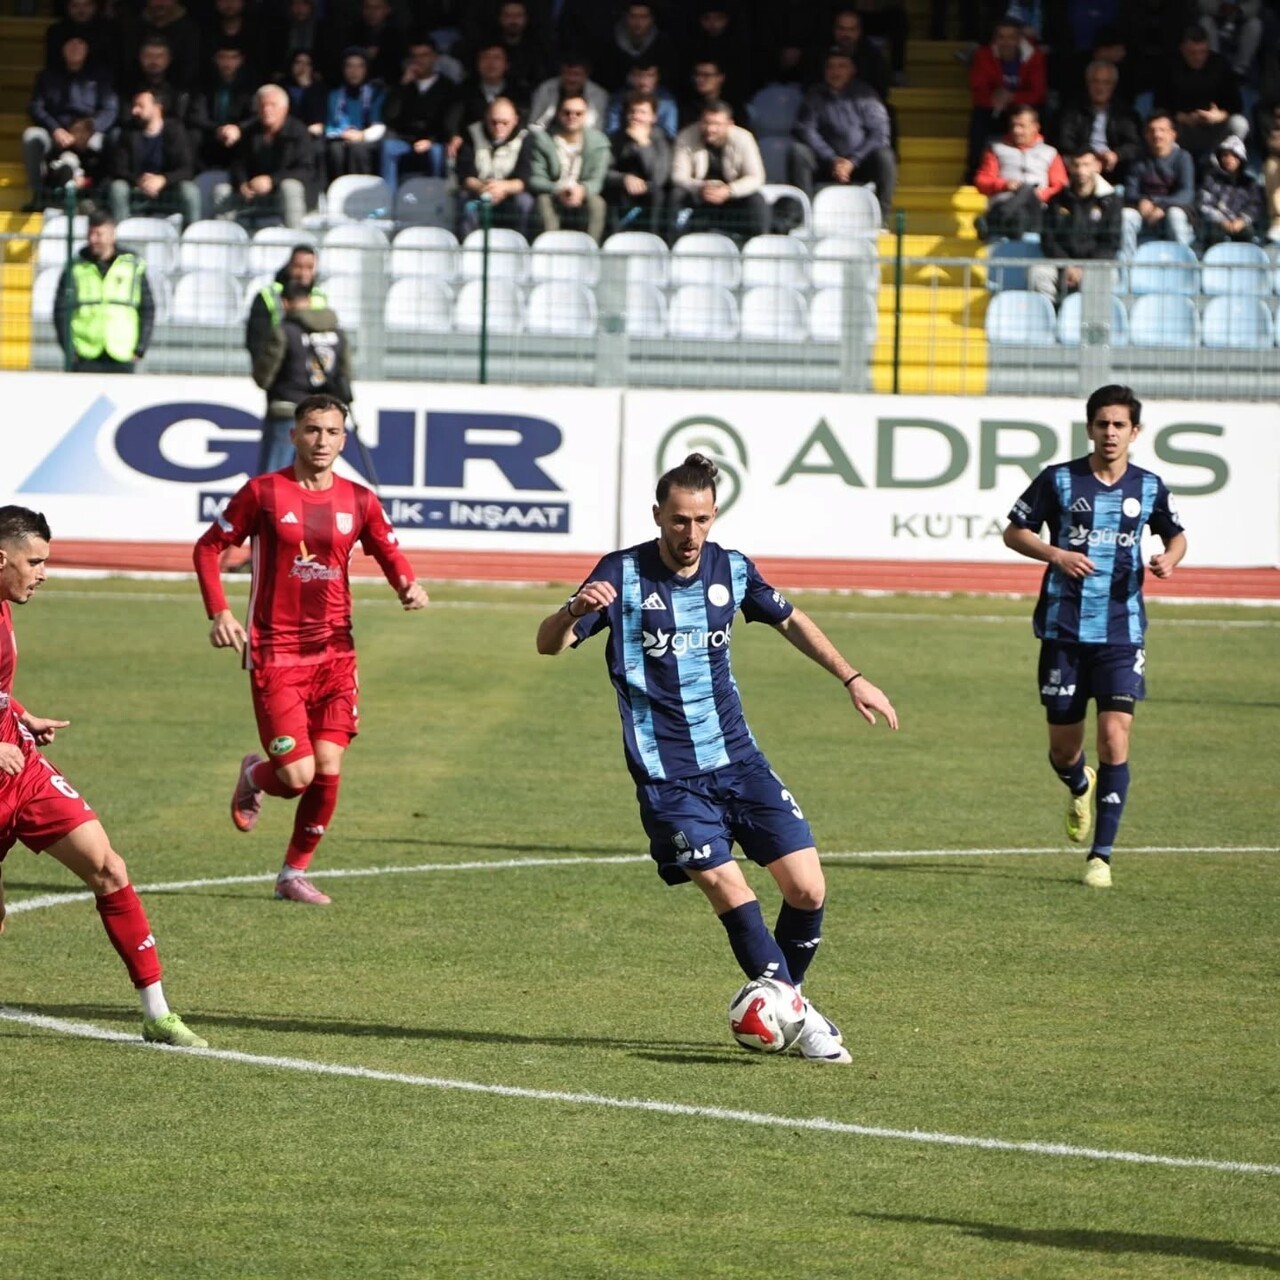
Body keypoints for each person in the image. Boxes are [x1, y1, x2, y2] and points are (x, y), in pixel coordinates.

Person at [535, 453, 899, 1063]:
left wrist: (851, 677)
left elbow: (792, 620)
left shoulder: (732, 568)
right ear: (657, 515)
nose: (691, 534)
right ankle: (802, 1024)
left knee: (808, 889)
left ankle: (787, 1003)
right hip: (667, 776)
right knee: (730, 890)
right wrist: (573, 609)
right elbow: (549, 645)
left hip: (739, 760)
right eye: (679, 520)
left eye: (702, 519)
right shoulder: (620, 573)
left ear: (714, 515)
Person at [192, 394, 429, 906]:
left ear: (344, 439)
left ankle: (292, 874)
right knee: (295, 777)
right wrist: (220, 612)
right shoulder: (263, 493)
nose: (322, 441)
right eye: (312, 430)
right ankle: (256, 775)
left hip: (336, 653)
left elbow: (387, 547)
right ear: (295, 435)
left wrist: (407, 584)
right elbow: (208, 548)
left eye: (332, 432)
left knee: (327, 766)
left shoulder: (359, 499)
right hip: (276, 655)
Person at [0, 505, 206, 1048]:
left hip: (22, 773)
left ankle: (157, 1013)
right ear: (1, 558)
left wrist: (19, 717)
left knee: (109, 867)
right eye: (35, 562)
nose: (43, 573)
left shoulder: (3, 603)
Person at [1003, 385, 1187, 888]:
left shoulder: (1149, 487)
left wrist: (1169, 558)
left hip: (1122, 631)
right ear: (1090, 428)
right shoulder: (1059, 480)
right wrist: (1056, 554)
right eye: (1102, 424)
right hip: (1063, 630)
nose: (1110, 433)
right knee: (1065, 749)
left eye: (1119, 425)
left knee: (1114, 736)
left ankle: (1100, 856)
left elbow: (1175, 534)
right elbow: (1014, 531)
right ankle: (1079, 783)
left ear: (1135, 432)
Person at [251, 279, 353, 474]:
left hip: (287, 409)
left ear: (285, 302)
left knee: (274, 477)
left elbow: (263, 377)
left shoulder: (285, 330)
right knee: (316, 475)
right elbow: (345, 373)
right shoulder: (337, 333)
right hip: (322, 414)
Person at [788, 46, 896, 222]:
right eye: (831, 66)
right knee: (798, 152)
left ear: (852, 70)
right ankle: (802, 217)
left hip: (860, 164)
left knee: (885, 156)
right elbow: (806, 130)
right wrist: (833, 159)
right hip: (825, 162)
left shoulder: (866, 95)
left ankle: (882, 218)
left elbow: (879, 134)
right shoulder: (815, 94)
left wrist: (853, 160)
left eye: (841, 66)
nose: (835, 71)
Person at [22, 34, 118, 210]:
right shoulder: (47, 76)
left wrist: (90, 129)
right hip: (57, 133)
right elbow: (36, 107)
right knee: (31, 136)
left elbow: (110, 109)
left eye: (80, 44)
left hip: (89, 132)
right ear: (62, 49)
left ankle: (99, 196)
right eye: (70, 44)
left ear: (87, 49)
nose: (75, 48)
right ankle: (39, 195)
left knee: (112, 140)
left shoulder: (101, 76)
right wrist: (55, 129)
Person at [53, 209, 155, 375]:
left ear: (112, 235)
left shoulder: (132, 265)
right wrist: (68, 348)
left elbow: (147, 309)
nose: (93, 240)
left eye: (99, 234)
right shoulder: (74, 267)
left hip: (122, 352)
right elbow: (61, 311)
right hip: (85, 352)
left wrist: (140, 348)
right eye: (91, 234)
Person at [214, 83, 319, 229]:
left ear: (284, 109)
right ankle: (223, 240)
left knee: (290, 187)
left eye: (272, 105)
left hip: (284, 193)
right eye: (262, 105)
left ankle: (295, 237)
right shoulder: (250, 131)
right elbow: (238, 163)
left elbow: (306, 170)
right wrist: (242, 183)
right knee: (221, 191)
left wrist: (272, 180)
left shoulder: (298, 131)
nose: (266, 110)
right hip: (253, 193)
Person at [1029, 150, 1123, 300]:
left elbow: (1111, 243)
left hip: (1094, 266)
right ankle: (1052, 315)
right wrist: (1067, 265)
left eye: (1086, 165)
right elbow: (1048, 240)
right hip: (1061, 264)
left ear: (1097, 166)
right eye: (1076, 165)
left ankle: (1090, 322)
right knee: (1038, 273)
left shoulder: (1111, 201)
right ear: (1070, 167)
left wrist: (1085, 268)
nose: (1081, 171)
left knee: (1109, 275)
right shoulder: (1057, 200)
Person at [670, 99, 767, 241]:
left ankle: (759, 245)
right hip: (699, 196)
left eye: (717, 124)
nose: (710, 129)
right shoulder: (686, 136)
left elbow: (756, 177)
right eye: (706, 122)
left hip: (732, 197)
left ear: (729, 124)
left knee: (757, 199)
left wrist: (729, 190)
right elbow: (678, 176)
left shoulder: (744, 138)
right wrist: (701, 187)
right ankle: (673, 241)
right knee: (676, 195)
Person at [966, 15, 1047, 181]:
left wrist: (1012, 97)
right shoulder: (983, 55)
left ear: (1019, 39)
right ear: (995, 39)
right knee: (979, 119)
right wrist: (996, 99)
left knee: (1044, 112)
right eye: (1001, 37)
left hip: (1023, 106)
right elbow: (978, 91)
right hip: (994, 106)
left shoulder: (1034, 56)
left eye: (1011, 37)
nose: (1006, 42)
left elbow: (1038, 92)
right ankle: (973, 173)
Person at [107, 87, 201, 227]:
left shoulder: (175, 130)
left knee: (190, 190)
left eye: (140, 106)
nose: (134, 111)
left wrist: (163, 179)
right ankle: (120, 233)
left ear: (157, 108)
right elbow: (119, 168)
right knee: (117, 187)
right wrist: (140, 180)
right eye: (134, 106)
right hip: (136, 189)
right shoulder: (128, 132)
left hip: (168, 190)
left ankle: (191, 239)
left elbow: (187, 168)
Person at [972, 103, 1066, 240]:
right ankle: (1010, 225)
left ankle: (991, 224)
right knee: (1020, 212)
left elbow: (1060, 186)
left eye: (1022, 126)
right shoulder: (996, 149)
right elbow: (981, 181)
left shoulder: (1050, 153)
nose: (1016, 130)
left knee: (1027, 190)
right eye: (1013, 125)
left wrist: (1042, 194)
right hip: (1004, 202)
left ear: (1035, 127)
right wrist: (1004, 185)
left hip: (1037, 207)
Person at [527, 92, 610, 242]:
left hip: (583, 193)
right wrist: (559, 189)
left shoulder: (599, 142)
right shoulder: (543, 140)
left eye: (578, 113)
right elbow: (536, 179)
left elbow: (597, 181)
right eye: (567, 112)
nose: (573, 116)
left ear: (586, 116)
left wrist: (581, 190)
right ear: (558, 114)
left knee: (597, 203)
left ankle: (590, 249)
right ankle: (550, 248)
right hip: (553, 191)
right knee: (542, 201)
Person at [380, 35, 456, 190]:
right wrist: (402, 85)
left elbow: (450, 120)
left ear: (434, 57)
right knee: (388, 147)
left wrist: (432, 140)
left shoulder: (447, 87)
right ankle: (390, 199)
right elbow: (388, 116)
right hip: (405, 140)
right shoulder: (404, 86)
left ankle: (437, 198)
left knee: (436, 152)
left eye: (424, 55)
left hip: (434, 141)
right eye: (415, 56)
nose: (419, 60)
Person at [1053, 59, 1143, 187]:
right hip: (1080, 164)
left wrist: (1116, 155)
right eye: (1095, 81)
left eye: (1106, 83)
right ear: (1088, 83)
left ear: (1113, 85)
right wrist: (1090, 156)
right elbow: (1064, 140)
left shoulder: (1125, 113)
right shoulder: (1072, 109)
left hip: (1114, 169)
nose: (1100, 87)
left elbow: (1134, 144)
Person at [455, 95, 534, 238]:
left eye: (505, 123)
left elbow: (524, 178)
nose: (499, 127)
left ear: (515, 120)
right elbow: (465, 175)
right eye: (494, 122)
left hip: (509, 193)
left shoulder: (524, 138)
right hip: (478, 190)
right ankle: (468, 246)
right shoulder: (471, 134)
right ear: (486, 118)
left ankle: (520, 244)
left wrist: (502, 187)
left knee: (525, 201)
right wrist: (483, 189)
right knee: (465, 202)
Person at [1121, 112, 1197, 258]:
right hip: (1144, 210)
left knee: (1175, 215)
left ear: (1173, 134)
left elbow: (1187, 193)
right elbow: (1130, 190)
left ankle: (1183, 265)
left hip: (1172, 208)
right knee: (1126, 216)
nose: (1157, 135)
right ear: (1146, 135)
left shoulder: (1183, 157)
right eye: (1152, 130)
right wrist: (1140, 201)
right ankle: (1127, 268)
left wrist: (1161, 205)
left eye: (1162, 130)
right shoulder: (1138, 159)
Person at [245, 242, 328, 358]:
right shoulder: (267, 296)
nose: (303, 273)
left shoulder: (320, 297)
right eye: (298, 267)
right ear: (289, 266)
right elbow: (256, 340)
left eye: (309, 267)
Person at [606, 89, 671, 233]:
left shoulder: (661, 138)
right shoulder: (616, 138)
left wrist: (643, 144)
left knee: (658, 193)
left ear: (653, 117)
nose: (636, 116)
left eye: (643, 112)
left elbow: (659, 177)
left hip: (651, 190)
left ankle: (653, 238)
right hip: (622, 188)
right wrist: (624, 178)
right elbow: (605, 171)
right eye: (633, 112)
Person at [323, 47, 386, 180]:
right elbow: (330, 124)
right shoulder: (334, 95)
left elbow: (379, 124)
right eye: (350, 66)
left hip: (366, 138)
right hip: (341, 137)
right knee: (335, 151)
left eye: (359, 66)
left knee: (358, 150)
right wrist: (342, 134)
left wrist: (362, 135)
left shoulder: (375, 94)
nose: (354, 71)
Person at [1196, 133, 1265, 247]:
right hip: (1217, 225)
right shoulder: (1211, 180)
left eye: (1234, 156)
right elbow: (1204, 205)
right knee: (1213, 234)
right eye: (1225, 155)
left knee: (1248, 233)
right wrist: (1222, 221)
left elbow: (1255, 205)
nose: (1229, 159)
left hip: (1240, 225)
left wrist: (1242, 220)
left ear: (1241, 159)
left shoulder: (1249, 183)